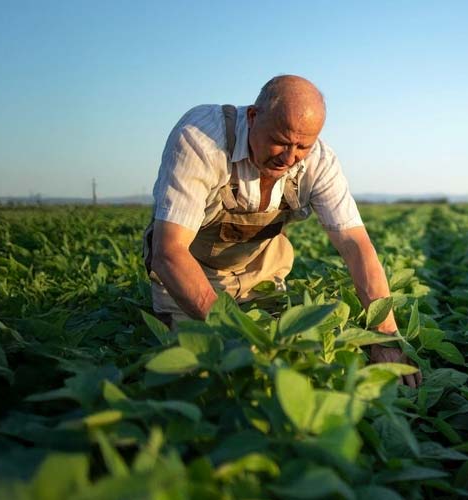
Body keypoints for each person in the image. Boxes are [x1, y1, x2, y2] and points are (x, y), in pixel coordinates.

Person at [143, 75, 420, 387]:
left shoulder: (320, 162)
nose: (289, 158)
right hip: (190, 280)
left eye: (302, 146)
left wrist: (385, 337)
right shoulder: (201, 139)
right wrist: (237, 335)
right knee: (202, 375)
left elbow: (356, 247)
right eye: (280, 141)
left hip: (262, 278)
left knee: (299, 367)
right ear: (252, 116)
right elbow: (169, 253)